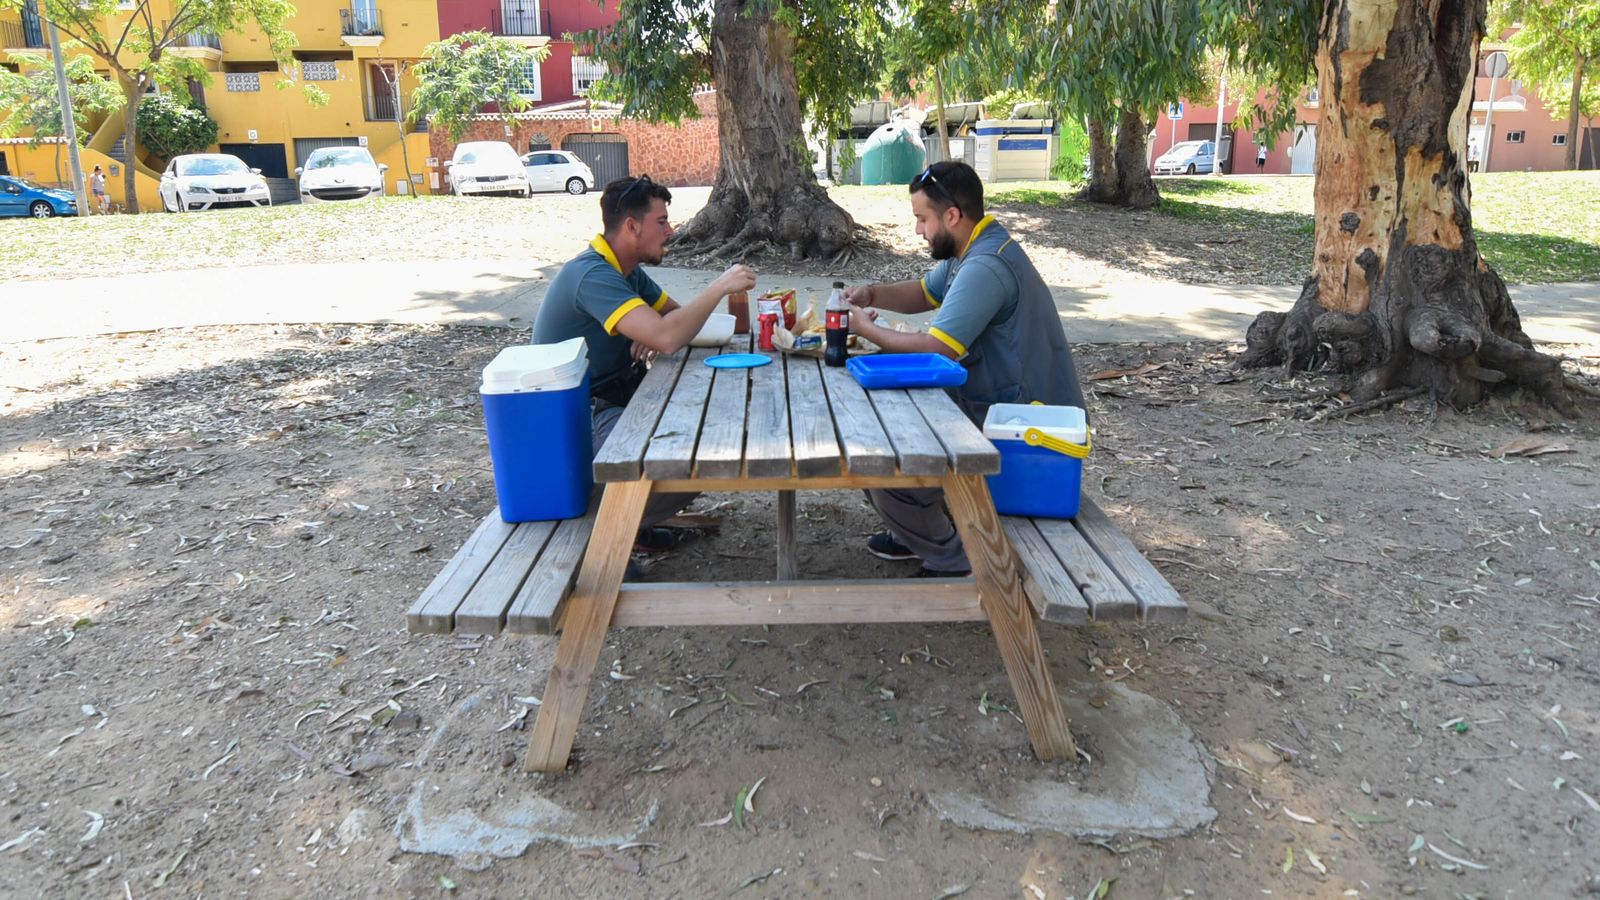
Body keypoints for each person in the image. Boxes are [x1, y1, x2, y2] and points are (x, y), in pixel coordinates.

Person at [844, 160, 1086, 577]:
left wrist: (866, 328)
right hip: (995, 408)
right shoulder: (972, 246)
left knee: (885, 456)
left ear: (952, 216)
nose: (919, 230)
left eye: (922, 219)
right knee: (885, 432)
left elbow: (939, 350)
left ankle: (953, 560)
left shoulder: (985, 265)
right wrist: (873, 293)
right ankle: (918, 532)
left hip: (1022, 431)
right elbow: (924, 292)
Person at [532, 175, 756, 552]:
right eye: (661, 222)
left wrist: (648, 328)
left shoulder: (627, 271)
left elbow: (675, 321)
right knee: (686, 455)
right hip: (577, 417)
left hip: (615, 399)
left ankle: (630, 520)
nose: (669, 231)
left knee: (704, 435)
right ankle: (608, 530)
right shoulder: (593, 276)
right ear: (632, 226)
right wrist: (719, 286)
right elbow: (669, 337)